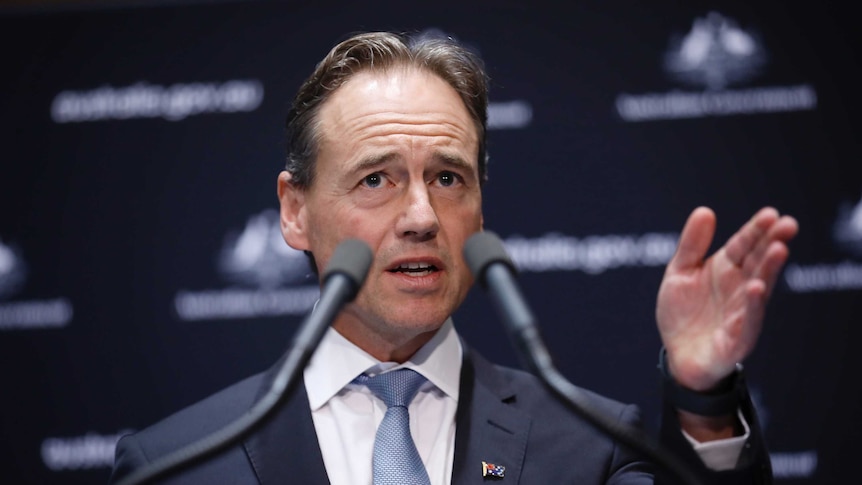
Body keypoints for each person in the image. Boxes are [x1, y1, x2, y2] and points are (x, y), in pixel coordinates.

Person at [110, 31, 799, 484]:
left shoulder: (593, 446)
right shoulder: (176, 464)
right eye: (376, 178)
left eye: (447, 177)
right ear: (295, 210)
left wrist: (703, 394)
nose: (420, 217)